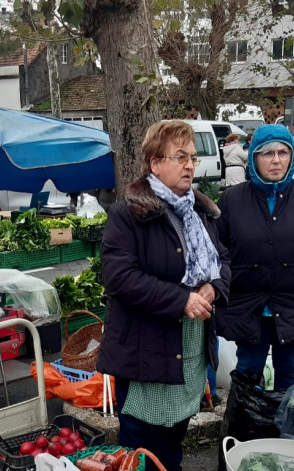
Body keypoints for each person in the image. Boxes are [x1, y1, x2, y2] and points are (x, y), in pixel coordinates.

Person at [97, 120, 230, 471]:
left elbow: (224, 261)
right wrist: (181, 299)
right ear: (155, 163)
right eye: (180, 156)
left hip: (188, 348)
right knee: (140, 448)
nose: (189, 165)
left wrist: (212, 287)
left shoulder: (201, 211)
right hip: (146, 349)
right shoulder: (128, 213)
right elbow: (119, 278)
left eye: (193, 157)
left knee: (173, 441)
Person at [215, 124, 294, 391]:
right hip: (249, 305)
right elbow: (218, 250)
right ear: (253, 158)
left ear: (292, 157)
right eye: (267, 153)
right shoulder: (232, 200)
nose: (276, 160)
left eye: (283, 153)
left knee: (290, 375)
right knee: (248, 373)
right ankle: (248, 430)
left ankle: (282, 430)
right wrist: (221, 290)